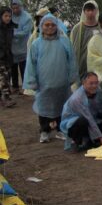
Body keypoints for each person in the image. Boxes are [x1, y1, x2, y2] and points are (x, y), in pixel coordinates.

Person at [24, 14, 79, 143]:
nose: (50, 27)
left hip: (62, 83)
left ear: (57, 26)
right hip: (44, 83)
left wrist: (72, 76)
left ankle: (61, 130)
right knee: (44, 108)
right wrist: (31, 80)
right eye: (47, 25)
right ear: (41, 26)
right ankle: (44, 131)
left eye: (53, 25)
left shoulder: (65, 42)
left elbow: (71, 60)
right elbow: (31, 63)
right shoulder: (36, 44)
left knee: (62, 107)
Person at [60, 72, 102, 152]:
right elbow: (89, 118)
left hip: (94, 120)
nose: (94, 86)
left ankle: (91, 141)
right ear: (83, 83)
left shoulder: (98, 91)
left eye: (96, 83)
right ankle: (76, 142)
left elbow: (101, 111)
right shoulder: (77, 98)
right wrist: (101, 139)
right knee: (82, 121)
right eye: (91, 83)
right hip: (75, 123)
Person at [70, 0, 100, 79]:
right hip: (81, 64)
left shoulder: (101, 27)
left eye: (92, 10)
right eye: (88, 10)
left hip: (97, 64)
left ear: (96, 11)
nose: (90, 13)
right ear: (84, 12)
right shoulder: (77, 28)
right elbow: (72, 46)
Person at [10, 0, 33, 93]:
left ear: (21, 6)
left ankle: (25, 87)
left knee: (23, 68)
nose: (15, 10)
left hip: (23, 46)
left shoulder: (27, 18)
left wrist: (13, 34)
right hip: (12, 47)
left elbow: (25, 32)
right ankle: (15, 86)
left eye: (17, 8)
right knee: (13, 67)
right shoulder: (10, 16)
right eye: (13, 8)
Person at [0, 8, 17, 107]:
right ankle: (6, 98)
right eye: (5, 16)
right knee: (4, 77)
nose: (8, 18)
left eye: (9, 16)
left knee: (7, 75)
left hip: (8, 56)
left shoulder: (10, 28)